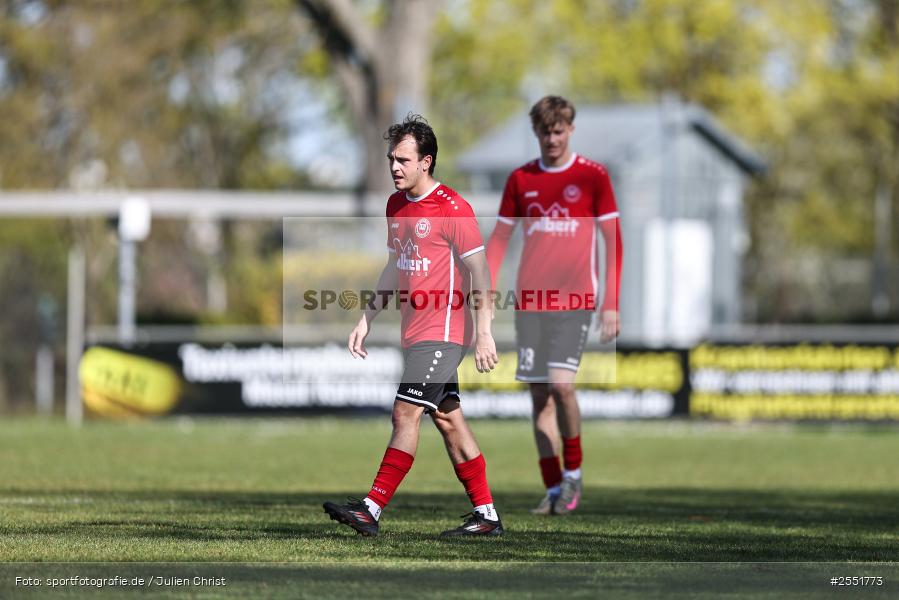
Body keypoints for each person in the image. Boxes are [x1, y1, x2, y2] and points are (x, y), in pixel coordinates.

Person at [323, 114, 503, 537]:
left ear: (427, 161)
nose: (394, 167)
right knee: (448, 419)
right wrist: (366, 319)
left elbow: (481, 273)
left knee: (405, 412)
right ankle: (487, 516)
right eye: (391, 158)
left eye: (403, 159)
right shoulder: (395, 205)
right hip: (415, 332)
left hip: (443, 333)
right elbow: (394, 266)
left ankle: (371, 507)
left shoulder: (453, 208)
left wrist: (485, 332)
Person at [485, 95, 622, 516]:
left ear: (570, 130)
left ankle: (574, 474)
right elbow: (500, 240)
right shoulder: (521, 180)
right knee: (539, 396)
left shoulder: (593, 176)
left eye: (559, 131)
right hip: (529, 304)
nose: (552, 139)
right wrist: (486, 294)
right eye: (545, 132)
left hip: (574, 302)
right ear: (536, 133)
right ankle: (552, 487)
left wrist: (611, 304)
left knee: (562, 386)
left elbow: (612, 241)